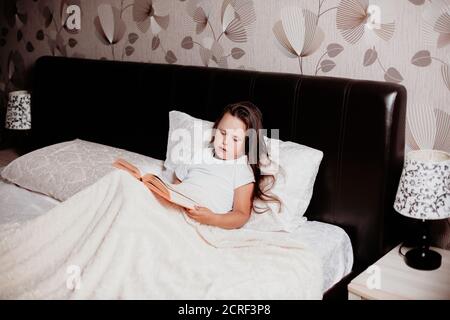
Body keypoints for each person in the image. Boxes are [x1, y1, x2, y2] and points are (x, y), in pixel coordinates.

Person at [172, 101, 280, 229]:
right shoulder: (201, 154)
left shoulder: (241, 169)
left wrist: (213, 218)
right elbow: (177, 179)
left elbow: (241, 214)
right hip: (178, 208)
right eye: (222, 133)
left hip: (201, 221)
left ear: (247, 144)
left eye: (235, 139)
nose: (225, 142)